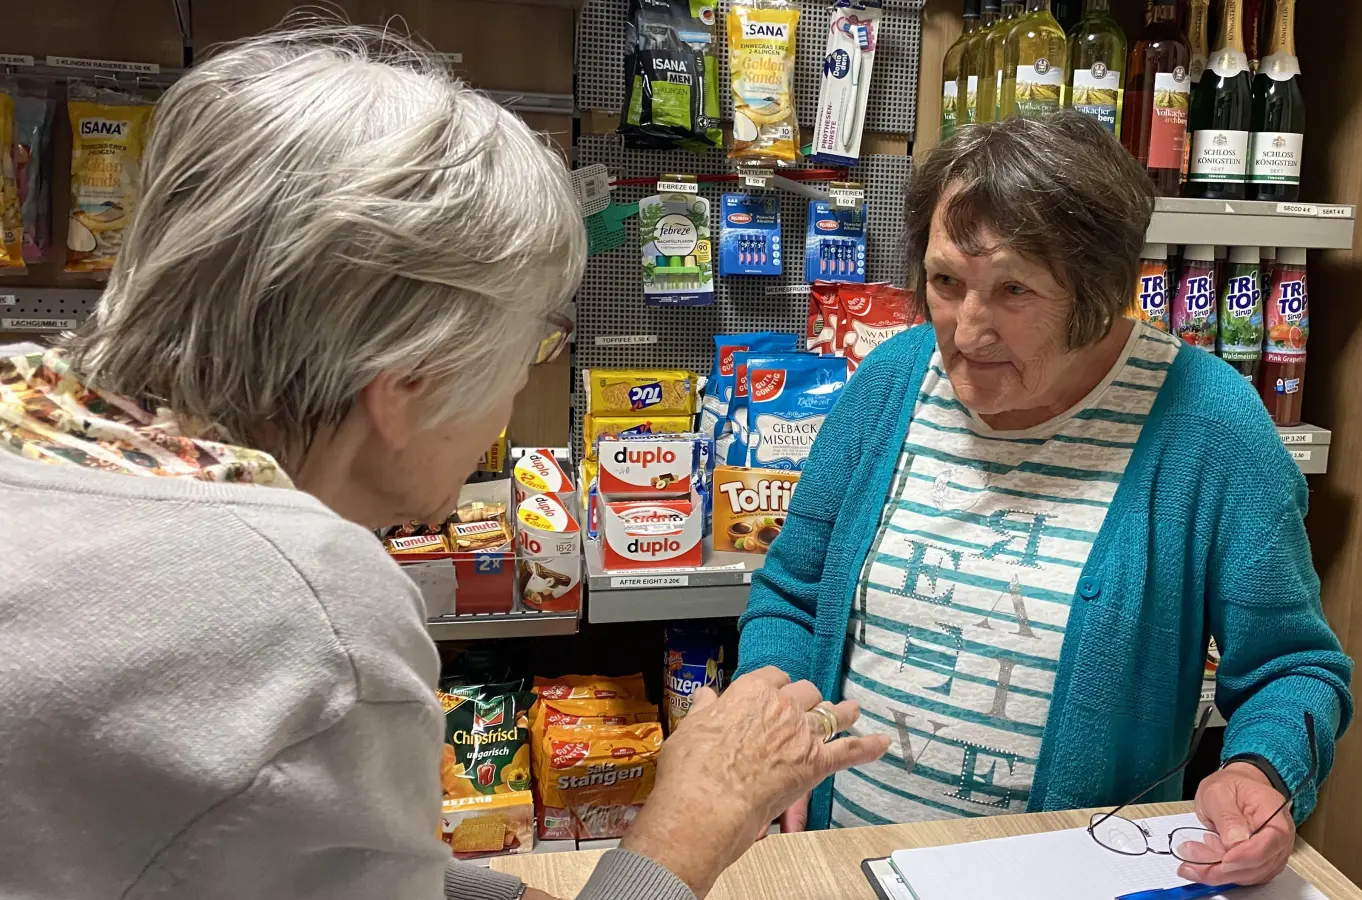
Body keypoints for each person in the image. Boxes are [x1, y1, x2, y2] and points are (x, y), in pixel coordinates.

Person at [0, 23, 887, 900]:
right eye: (531, 347)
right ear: (410, 382)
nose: (506, 408)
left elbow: (266, 851)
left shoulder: (38, 436)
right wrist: (693, 820)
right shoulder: (306, 617)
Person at [736, 112, 1353, 887]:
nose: (966, 329)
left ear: (1095, 294)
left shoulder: (1211, 425)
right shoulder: (889, 382)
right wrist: (772, 719)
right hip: (843, 866)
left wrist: (1263, 771)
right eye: (945, 281)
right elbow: (792, 594)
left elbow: (1294, 666)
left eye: (1013, 290)